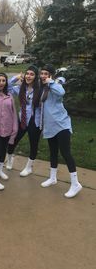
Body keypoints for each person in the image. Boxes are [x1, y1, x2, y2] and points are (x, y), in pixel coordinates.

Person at [39, 64, 82, 198]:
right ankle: (53, 178)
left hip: (61, 126)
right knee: (53, 152)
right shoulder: (44, 88)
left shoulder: (54, 86)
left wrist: (51, 82)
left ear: (51, 75)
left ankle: (75, 184)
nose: (43, 76)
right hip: (50, 127)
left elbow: (61, 92)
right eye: (42, 73)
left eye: (46, 74)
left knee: (66, 153)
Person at [6, 65, 42, 176]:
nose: (29, 76)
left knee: (33, 144)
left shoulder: (40, 90)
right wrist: (17, 77)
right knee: (13, 140)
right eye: (27, 74)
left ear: (35, 77)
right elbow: (7, 86)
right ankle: (9, 159)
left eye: (32, 74)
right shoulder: (20, 88)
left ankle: (28, 167)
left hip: (34, 122)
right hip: (22, 120)